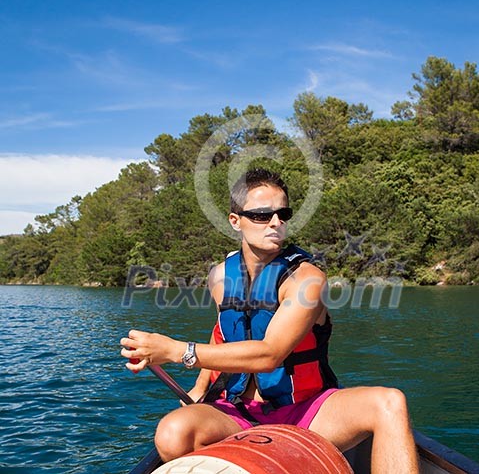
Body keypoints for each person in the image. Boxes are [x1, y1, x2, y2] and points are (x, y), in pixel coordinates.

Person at [120, 168, 419, 473]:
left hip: (306, 411)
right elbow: (221, 334)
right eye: (262, 215)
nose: (276, 223)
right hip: (235, 411)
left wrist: (176, 351)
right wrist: (199, 388)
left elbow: (270, 354)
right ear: (235, 221)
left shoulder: (306, 280)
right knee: (172, 434)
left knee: (389, 403)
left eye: (283, 214)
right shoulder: (220, 277)